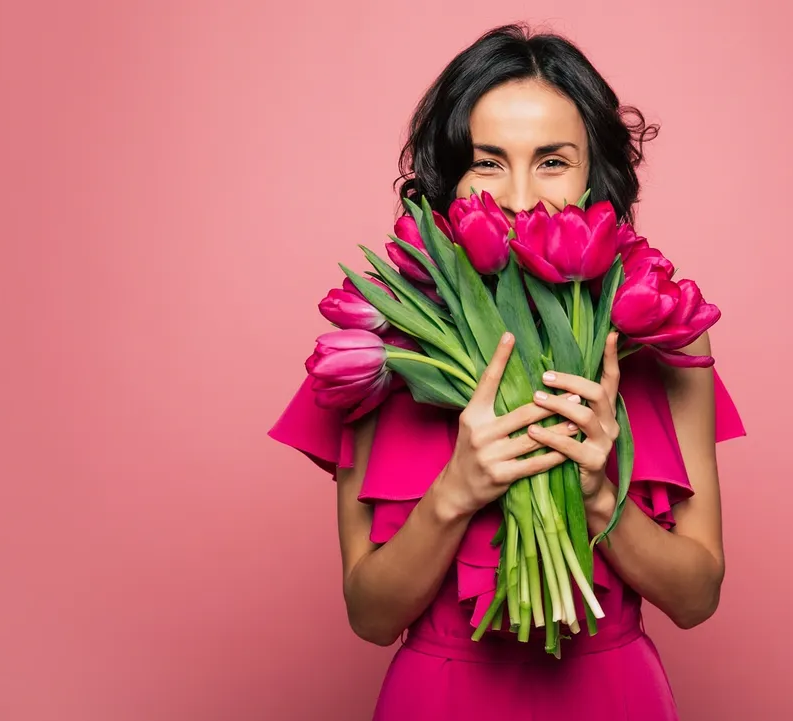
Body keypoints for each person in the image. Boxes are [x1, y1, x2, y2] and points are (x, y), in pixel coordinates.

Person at [270, 23, 746, 721]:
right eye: (488, 163)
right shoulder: (381, 350)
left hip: (614, 698)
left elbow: (697, 596)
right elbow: (370, 614)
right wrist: (455, 491)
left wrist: (595, 494)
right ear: (447, 175)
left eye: (552, 161)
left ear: (596, 177)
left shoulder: (662, 336)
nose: (520, 198)